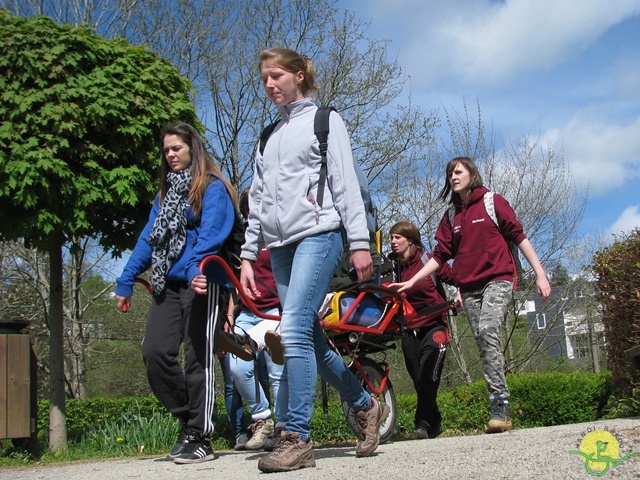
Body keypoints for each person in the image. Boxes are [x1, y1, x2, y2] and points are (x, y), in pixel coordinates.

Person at [239, 47, 390, 473]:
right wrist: (250, 253)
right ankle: (363, 403)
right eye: (264, 79)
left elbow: (344, 183)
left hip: (322, 234)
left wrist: (359, 241)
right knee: (308, 334)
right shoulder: (266, 136)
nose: (269, 85)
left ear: (300, 74)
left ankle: (296, 436)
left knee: (293, 330)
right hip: (281, 245)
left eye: (276, 76)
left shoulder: (326, 121)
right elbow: (259, 198)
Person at [390, 156, 551, 434]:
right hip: (470, 287)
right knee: (482, 341)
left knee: (488, 330)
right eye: (450, 173)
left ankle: (500, 406)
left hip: (498, 279)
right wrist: (412, 280)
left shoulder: (492, 202)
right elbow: (439, 256)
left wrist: (540, 273)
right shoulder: (451, 216)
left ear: (471, 174)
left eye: (458, 171)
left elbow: (519, 236)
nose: (453, 176)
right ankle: (501, 410)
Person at [115, 122, 237, 463]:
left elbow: (213, 233)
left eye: (176, 148)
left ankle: (200, 435)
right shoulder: (165, 196)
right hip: (166, 282)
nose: (170, 155)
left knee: (198, 359)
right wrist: (126, 281)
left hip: (204, 282)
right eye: (166, 150)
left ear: (192, 149)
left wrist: (198, 267)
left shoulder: (212, 188)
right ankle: (189, 419)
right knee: (154, 352)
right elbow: (147, 240)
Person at [226, 187, 286, 451]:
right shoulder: (241, 241)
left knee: (277, 371)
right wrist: (230, 314)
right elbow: (234, 282)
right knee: (237, 367)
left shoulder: (279, 233)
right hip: (247, 312)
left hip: (275, 310)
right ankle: (262, 419)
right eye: (249, 208)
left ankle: (284, 427)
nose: (254, 212)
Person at [389, 221, 455, 440]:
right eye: (391, 238)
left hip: (435, 324)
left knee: (429, 374)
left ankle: (422, 424)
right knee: (418, 379)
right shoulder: (393, 268)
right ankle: (434, 422)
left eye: (397, 237)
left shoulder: (428, 261)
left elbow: (456, 278)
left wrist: (462, 293)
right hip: (409, 329)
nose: (393, 241)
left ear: (410, 239)